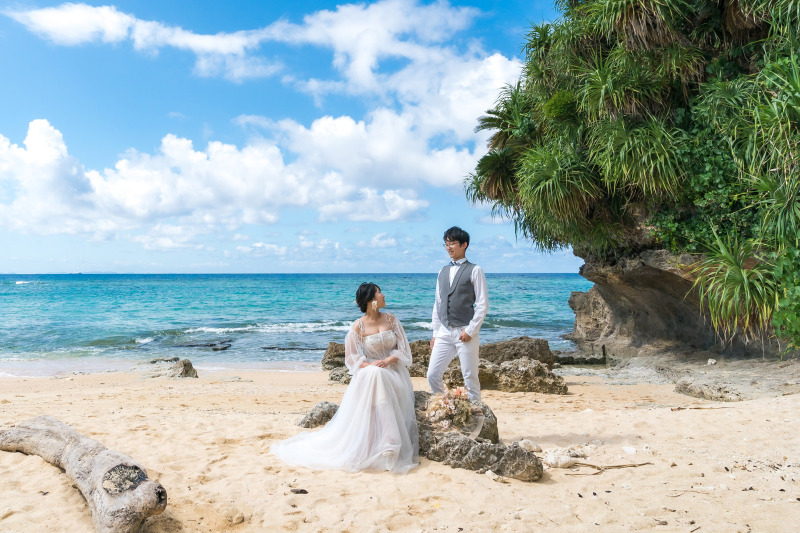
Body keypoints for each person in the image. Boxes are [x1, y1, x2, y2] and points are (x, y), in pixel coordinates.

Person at [271, 283, 419, 474]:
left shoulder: (391, 319)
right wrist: (372, 366)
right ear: (371, 300)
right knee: (375, 374)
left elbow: (403, 350)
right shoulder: (357, 326)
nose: (384, 295)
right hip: (370, 372)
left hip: (394, 372)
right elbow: (352, 359)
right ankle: (389, 440)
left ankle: (389, 441)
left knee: (378, 374)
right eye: (380, 293)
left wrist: (387, 360)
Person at [427, 226, 488, 403]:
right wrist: (435, 333)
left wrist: (471, 330)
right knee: (432, 374)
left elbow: (482, 303)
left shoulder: (475, 270)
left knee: (470, 377)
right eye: (446, 244)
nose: (448, 247)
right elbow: (438, 304)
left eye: (452, 243)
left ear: (464, 245)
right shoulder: (442, 271)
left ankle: (477, 415)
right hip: (444, 332)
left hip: (465, 331)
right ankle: (445, 406)